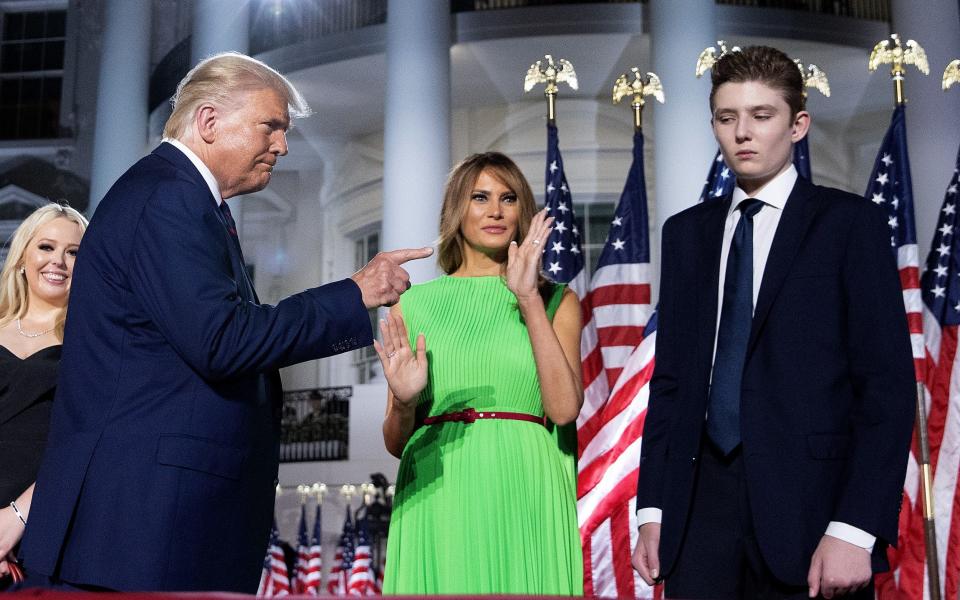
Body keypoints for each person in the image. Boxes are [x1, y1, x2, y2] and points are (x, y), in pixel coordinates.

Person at [18, 52, 431, 593]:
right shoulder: (167, 197)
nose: (282, 145)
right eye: (271, 125)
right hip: (143, 530)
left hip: (151, 526)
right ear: (209, 122)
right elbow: (223, 340)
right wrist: (353, 294)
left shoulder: (183, 199)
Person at [631, 46, 915, 599]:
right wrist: (654, 507)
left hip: (816, 513)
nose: (743, 132)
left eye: (762, 116)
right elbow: (672, 385)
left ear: (798, 124)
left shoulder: (849, 224)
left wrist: (855, 528)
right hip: (697, 514)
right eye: (726, 117)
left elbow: (886, 386)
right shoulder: (685, 233)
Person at [376, 152, 584, 595]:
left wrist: (527, 298)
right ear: (457, 208)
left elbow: (564, 410)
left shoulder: (557, 301)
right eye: (480, 197)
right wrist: (408, 402)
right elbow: (396, 442)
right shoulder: (412, 304)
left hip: (525, 482)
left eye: (508, 198)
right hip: (439, 486)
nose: (495, 210)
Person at [0, 204, 87, 589]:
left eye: (74, 252)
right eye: (47, 247)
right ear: (22, 257)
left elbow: (83, 442)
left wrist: (14, 521)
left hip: (42, 531)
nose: (59, 261)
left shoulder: (93, 345)